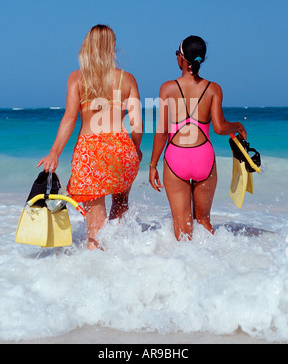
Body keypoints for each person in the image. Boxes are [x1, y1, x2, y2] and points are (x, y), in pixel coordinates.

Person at [38, 25, 143, 250]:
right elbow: (137, 125)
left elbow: (69, 118)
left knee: (96, 220)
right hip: (122, 148)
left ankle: (97, 267)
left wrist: (54, 153)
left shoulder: (77, 78)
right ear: (112, 47)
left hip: (90, 151)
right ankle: (122, 257)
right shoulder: (127, 79)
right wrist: (135, 149)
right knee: (121, 204)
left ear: (87, 46)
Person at [149, 35, 246, 241]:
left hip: (176, 157)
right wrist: (238, 126)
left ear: (182, 58)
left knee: (182, 227)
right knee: (203, 221)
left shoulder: (167, 88)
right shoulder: (213, 89)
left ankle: (186, 270)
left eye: (177, 53)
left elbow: (162, 131)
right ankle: (218, 265)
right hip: (204, 157)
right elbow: (220, 128)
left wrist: (152, 165)